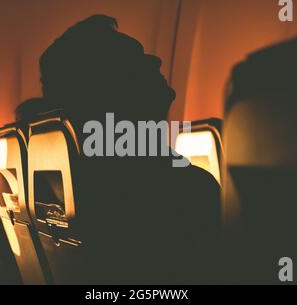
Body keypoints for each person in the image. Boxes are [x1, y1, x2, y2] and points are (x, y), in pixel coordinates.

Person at [17, 15, 221, 283]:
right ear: (107, 89)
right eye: (136, 61)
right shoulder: (183, 189)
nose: (156, 60)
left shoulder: (89, 178)